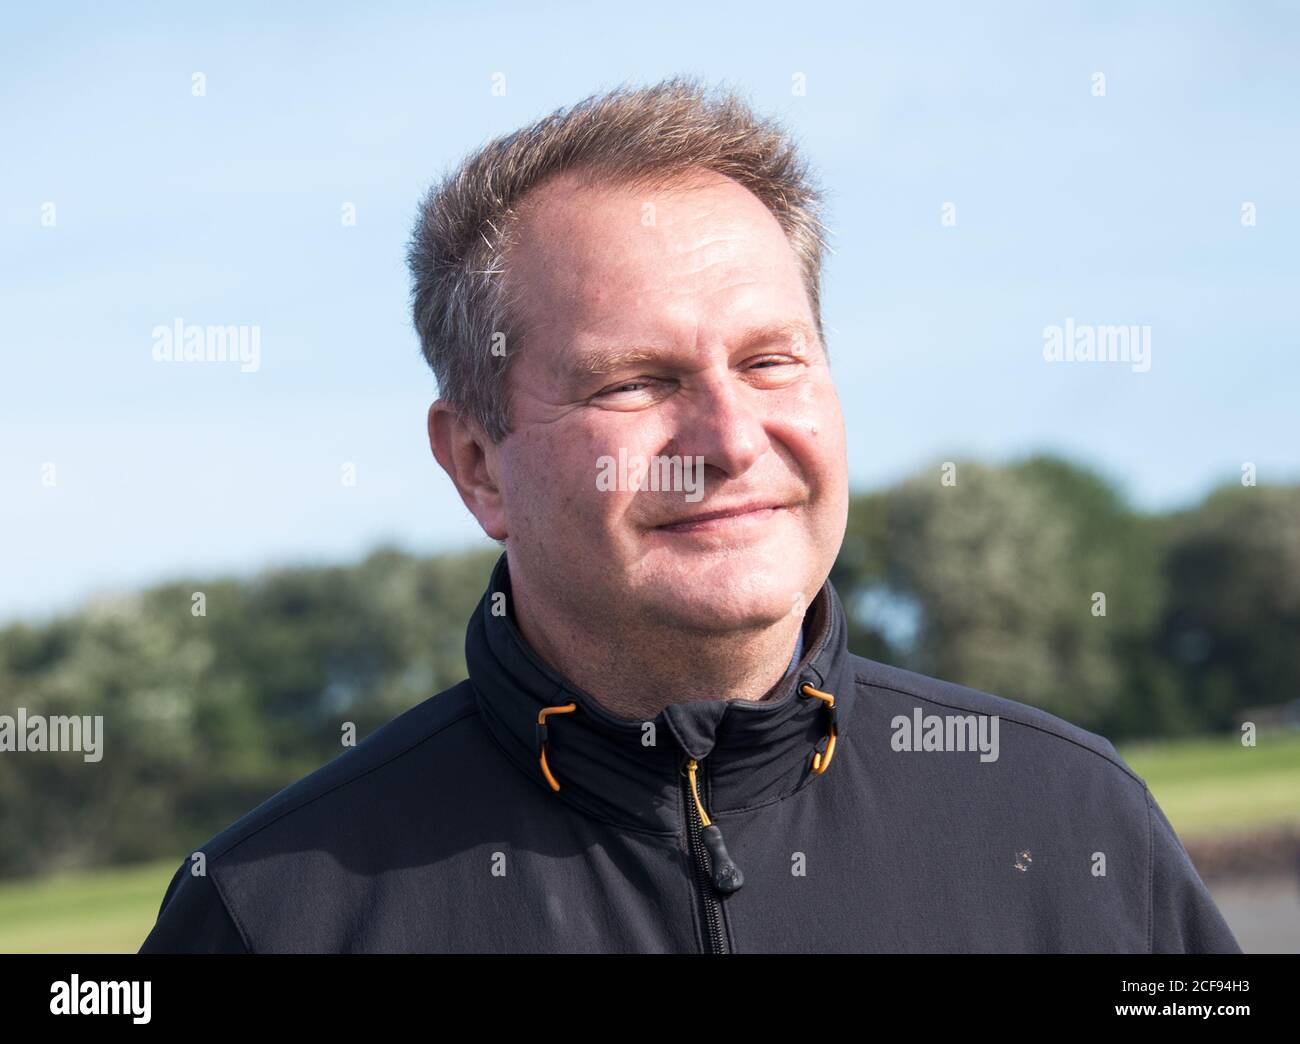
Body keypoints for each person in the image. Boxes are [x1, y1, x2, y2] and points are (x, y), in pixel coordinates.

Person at [139, 76, 1241, 954]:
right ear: (476, 463)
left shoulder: (1072, 823)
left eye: (770, 361)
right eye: (634, 382)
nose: (729, 437)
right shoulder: (268, 914)